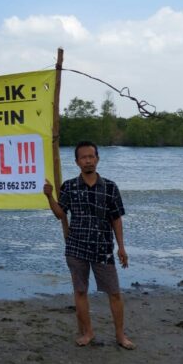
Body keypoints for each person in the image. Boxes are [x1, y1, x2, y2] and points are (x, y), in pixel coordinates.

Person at [43, 141, 135, 350]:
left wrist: (121, 247)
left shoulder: (110, 187)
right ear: (77, 162)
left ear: (97, 158)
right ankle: (88, 332)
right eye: (83, 157)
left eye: (91, 156)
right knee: (80, 291)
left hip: (103, 248)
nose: (88, 160)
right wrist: (49, 197)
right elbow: (60, 214)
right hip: (76, 247)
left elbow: (116, 219)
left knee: (114, 293)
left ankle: (120, 335)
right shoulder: (69, 186)